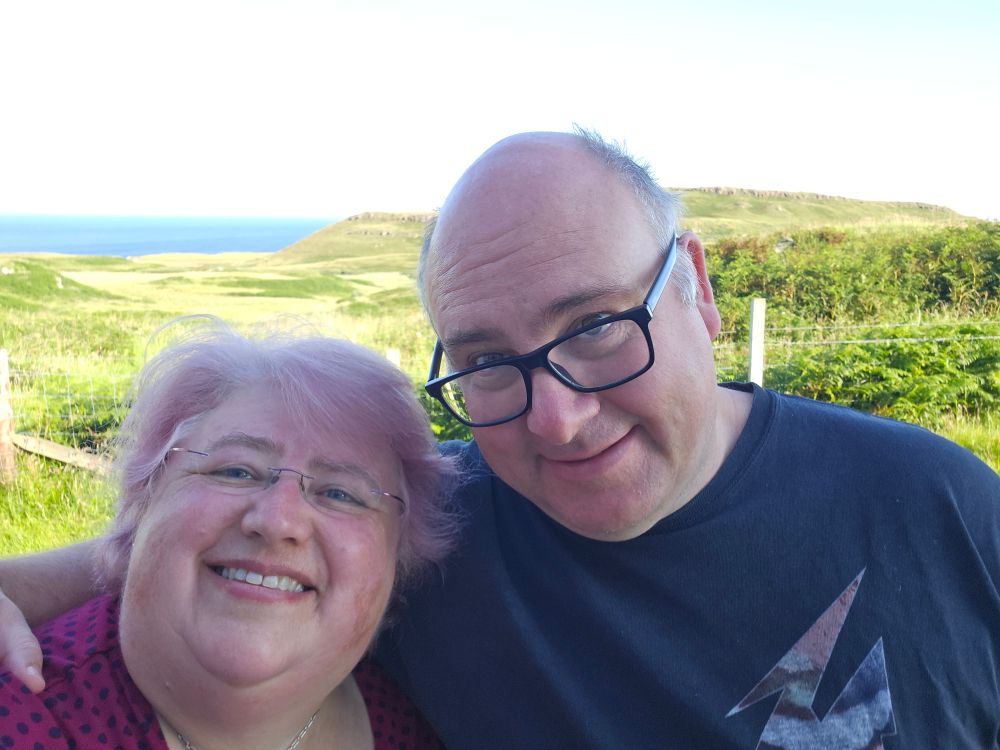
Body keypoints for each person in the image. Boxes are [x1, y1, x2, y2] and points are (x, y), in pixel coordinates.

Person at [3, 130, 1000, 748]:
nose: (555, 420)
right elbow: (233, 545)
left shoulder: (936, 503)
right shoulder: (441, 537)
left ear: (693, 285)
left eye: (599, 327)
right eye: (486, 361)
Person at [0, 319, 457, 749]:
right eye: (237, 470)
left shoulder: (423, 716)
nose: (278, 521)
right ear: (142, 502)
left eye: (341, 494)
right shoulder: (23, 719)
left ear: (400, 560)